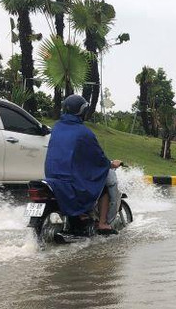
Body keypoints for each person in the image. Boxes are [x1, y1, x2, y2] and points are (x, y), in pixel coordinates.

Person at [44, 95, 123, 235]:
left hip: (52, 176)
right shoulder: (84, 133)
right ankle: (103, 224)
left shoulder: (57, 128)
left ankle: (82, 215)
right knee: (103, 190)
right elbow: (98, 158)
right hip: (72, 180)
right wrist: (111, 164)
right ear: (82, 112)